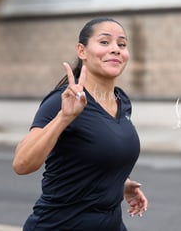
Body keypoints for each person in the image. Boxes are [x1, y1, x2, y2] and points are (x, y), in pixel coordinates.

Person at [12, 17, 148, 230]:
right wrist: (64, 117)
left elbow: (94, 153)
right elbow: (22, 163)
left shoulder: (122, 101)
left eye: (121, 44)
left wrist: (119, 183)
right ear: (82, 51)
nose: (115, 49)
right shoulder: (62, 100)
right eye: (104, 42)